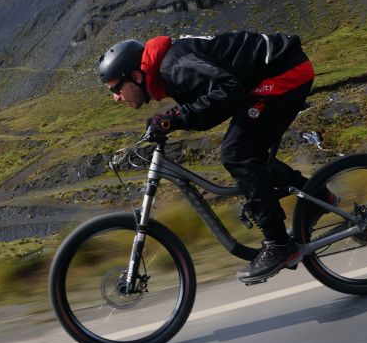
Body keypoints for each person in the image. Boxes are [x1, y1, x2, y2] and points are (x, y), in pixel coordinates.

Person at [98, 32, 329, 284]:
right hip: (268, 73)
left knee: (237, 153)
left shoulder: (174, 67)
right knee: (248, 150)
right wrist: (174, 117)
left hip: (284, 71)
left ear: (135, 76)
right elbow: (208, 103)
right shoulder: (168, 69)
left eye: (116, 89)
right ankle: (315, 197)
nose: (116, 98)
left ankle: (279, 245)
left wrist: (177, 118)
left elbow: (229, 90)